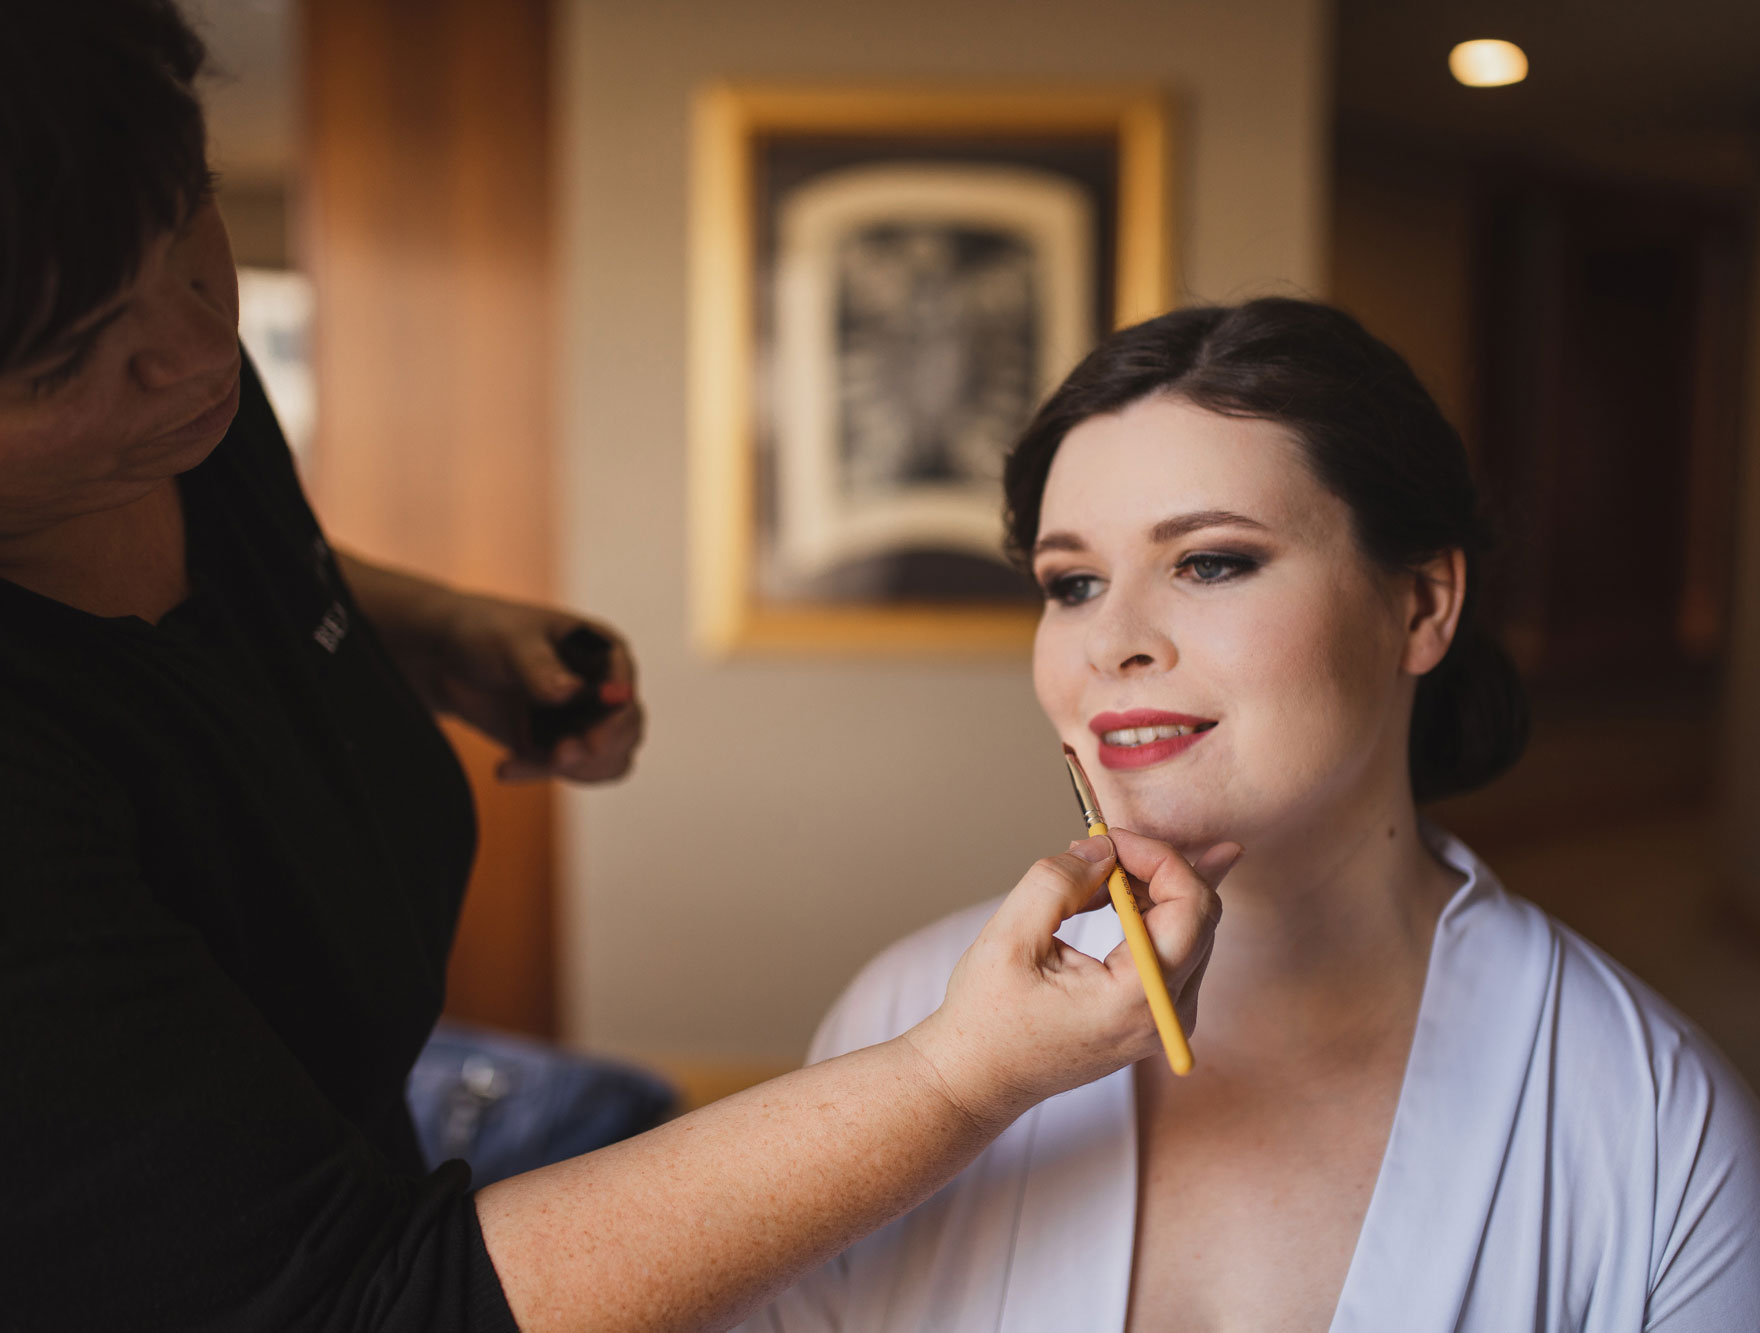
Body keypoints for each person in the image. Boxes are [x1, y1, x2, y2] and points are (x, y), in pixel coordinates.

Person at [0, 4, 1224, 1330]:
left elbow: (239, 571)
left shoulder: (169, 411)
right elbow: (360, 1301)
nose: (190, 352)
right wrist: (953, 1080)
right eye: (72, 359)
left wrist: (432, 625)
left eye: (190, 229)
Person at [738, 299, 1760, 1332]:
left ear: (1419, 604)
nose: (1110, 639)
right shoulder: (901, 1015)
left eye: (1210, 561)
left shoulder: (1655, 1127)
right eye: (1069, 581)